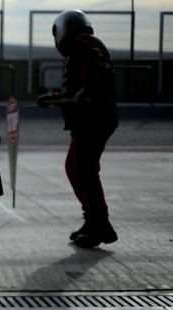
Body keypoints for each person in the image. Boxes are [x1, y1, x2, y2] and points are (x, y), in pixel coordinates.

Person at [36, 9, 119, 249]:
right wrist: (55, 98)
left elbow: (92, 68)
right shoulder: (78, 49)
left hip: (94, 120)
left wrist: (85, 90)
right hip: (89, 120)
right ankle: (93, 219)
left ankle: (100, 224)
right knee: (75, 169)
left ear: (64, 29)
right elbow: (79, 86)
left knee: (84, 172)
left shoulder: (85, 43)